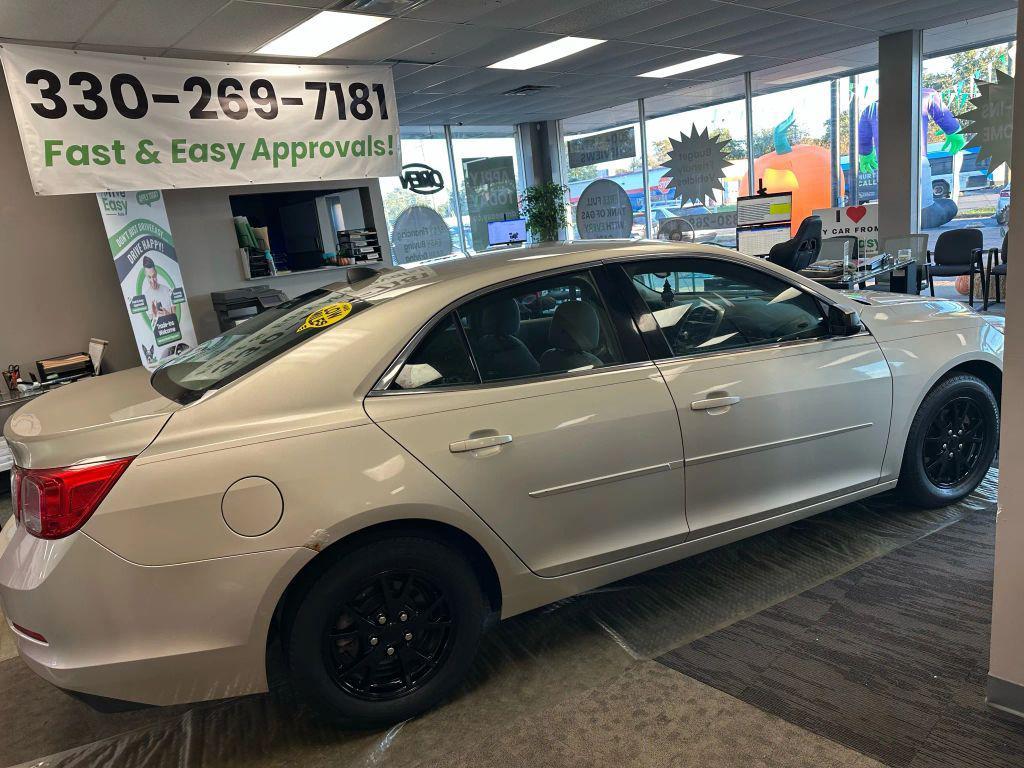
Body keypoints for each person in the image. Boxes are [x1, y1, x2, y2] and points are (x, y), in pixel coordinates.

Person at [141, 255, 175, 325]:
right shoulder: (146, 297)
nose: (152, 281)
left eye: (154, 276)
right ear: (145, 275)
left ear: (156, 273)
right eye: (149, 277)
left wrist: (168, 315)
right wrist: (154, 315)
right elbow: (152, 326)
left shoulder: (167, 290)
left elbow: (175, 319)